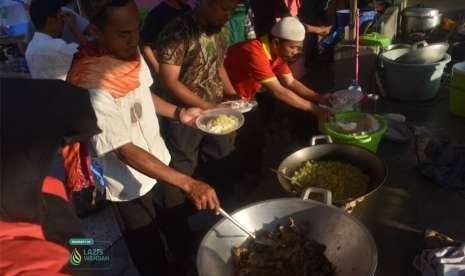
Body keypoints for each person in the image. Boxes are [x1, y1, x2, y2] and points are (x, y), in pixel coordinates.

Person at [69, 1, 221, 275]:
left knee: (180, 234)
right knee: (149, 254)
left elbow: (143, 94)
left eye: (136, 31)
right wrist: (189, 182)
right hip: (128, 185)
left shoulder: (129, 53)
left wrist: (179, 113)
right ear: (95, 30)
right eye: (124, 34)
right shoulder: (91, 82)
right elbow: (123, 149)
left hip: (160, 163)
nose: (133, 40)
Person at [156, 0, 239, 201]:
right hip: (184, 115)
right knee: (184, 164)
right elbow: (169, 81)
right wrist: (208, 107)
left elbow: (217, 65)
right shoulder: (177, 32)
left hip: (217, 109)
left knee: (220, 157)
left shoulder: (220, 30)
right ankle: (184, 211)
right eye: (224, 8)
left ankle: (221, 204)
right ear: (207, 3)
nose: (228, 15)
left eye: (231, 10)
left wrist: (231, 93)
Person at [224, 16, 331, 121]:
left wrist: (318, 97)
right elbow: (278, 91)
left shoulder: (278, 52)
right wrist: (314, 109)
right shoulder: (255, 52)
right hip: (226, 99)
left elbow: (290, 82)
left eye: (298, 48)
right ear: (276, 43)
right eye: (292, 47)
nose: (295, 52)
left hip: (242, 99)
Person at [25, 0, 87, 80]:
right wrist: (74, 27)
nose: (63, 22)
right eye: (60, 16)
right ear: (50, 20)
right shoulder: (58, 47)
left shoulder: (30, 48)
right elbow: (91, 54)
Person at [140, 0, 191, 75]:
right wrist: (157, 69)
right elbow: (145, 45)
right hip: (166, 71)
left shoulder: (188, 10)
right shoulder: (157, 14)